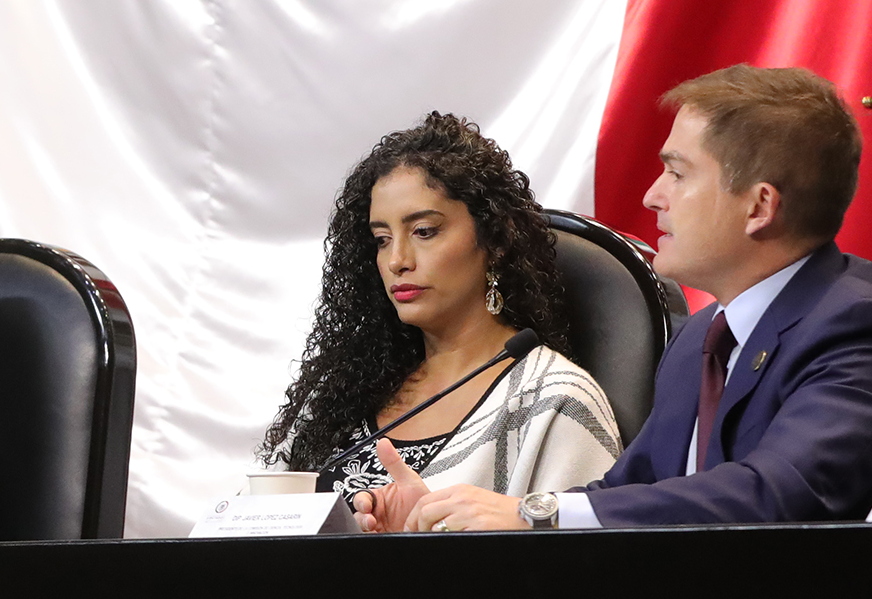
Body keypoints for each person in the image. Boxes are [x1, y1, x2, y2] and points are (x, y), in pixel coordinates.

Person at [364, 65, 872, 531]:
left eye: (677, 173)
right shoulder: (703, 338)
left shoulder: (860, 331)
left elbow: (774, 496)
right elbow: (626, 495)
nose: (652, 196)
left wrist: (532, 513)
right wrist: (442, 521)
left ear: (759, 206)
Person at [264, 113, 621, 502]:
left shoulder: (555, 401)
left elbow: (586, 539)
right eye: (382, 239)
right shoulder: (344, 394)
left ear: (495, 240)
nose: (397, 260)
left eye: (423, 232)